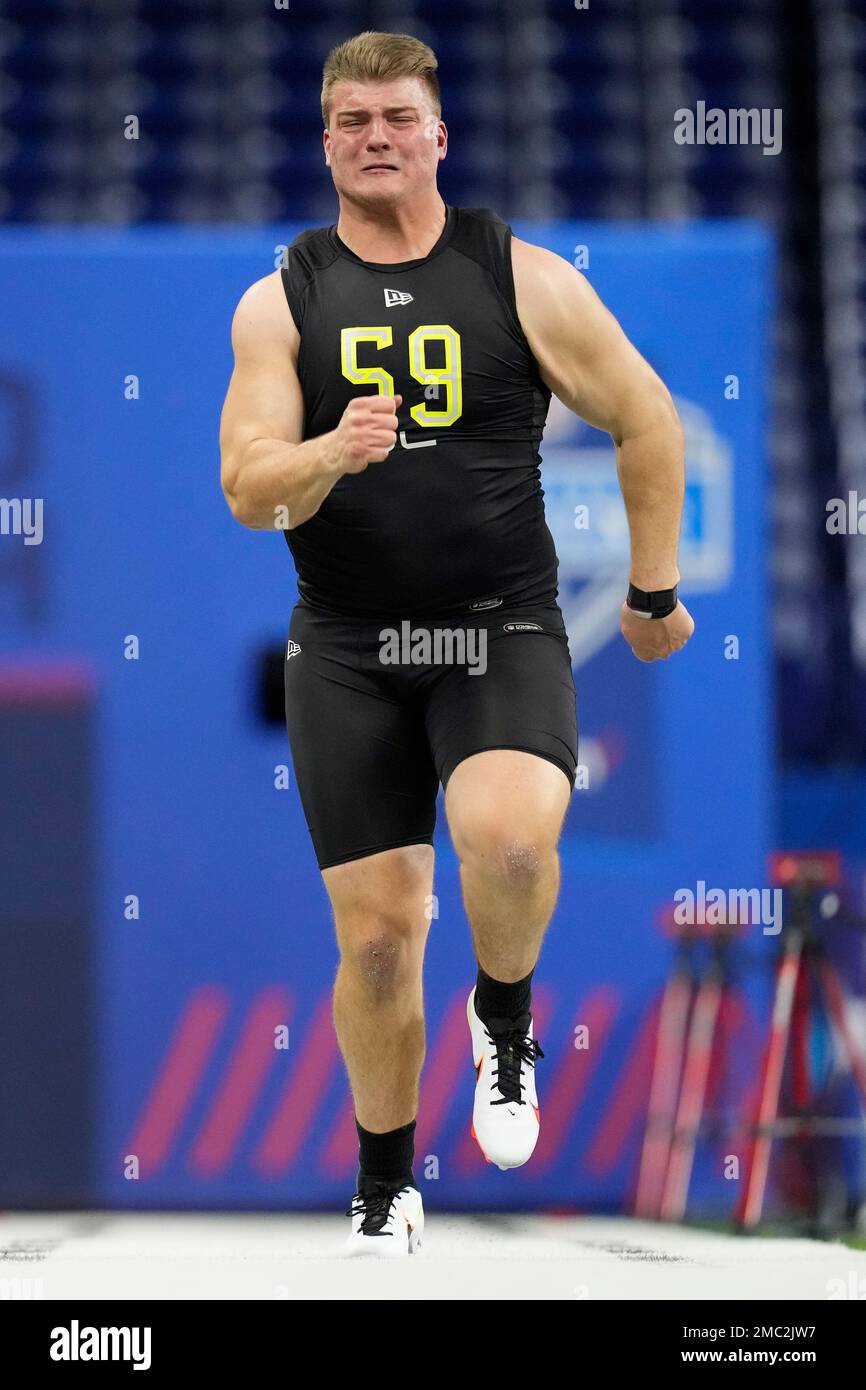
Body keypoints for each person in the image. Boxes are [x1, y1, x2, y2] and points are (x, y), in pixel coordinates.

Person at [219, 30, 694, 1257]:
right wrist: (329, 452)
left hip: (497, 629)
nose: (375, 138)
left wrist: (649, 592)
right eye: (351, 121)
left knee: (509, 840)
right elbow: (246, 487)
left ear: (439, 136)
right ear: (325, 142)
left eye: (397, 118)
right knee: (377, 939)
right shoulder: (280, 300)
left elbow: (645, 418)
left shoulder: (522, 278)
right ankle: (385, 1188)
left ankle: (505, 1017)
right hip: (346, 647)